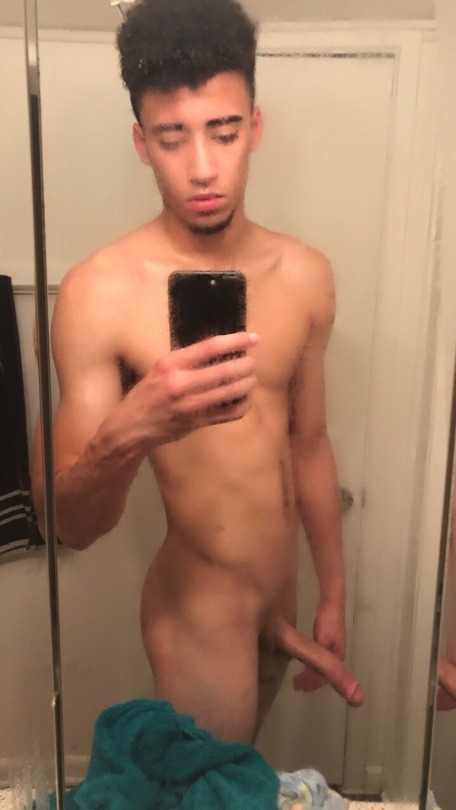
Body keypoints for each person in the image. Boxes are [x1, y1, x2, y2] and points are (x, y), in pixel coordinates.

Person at [31, 0, 363, 745]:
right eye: (172, 138)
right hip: (200, 612)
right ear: (141, 142)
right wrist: (134, 427)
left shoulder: (306, 275)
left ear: (256, 126)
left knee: (238, 783)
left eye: (224, 131)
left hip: (282, 592)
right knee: (207, 792)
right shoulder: (100, 294)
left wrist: (333, 593)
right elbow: (68, 526)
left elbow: (309, 444)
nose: (203, 168)